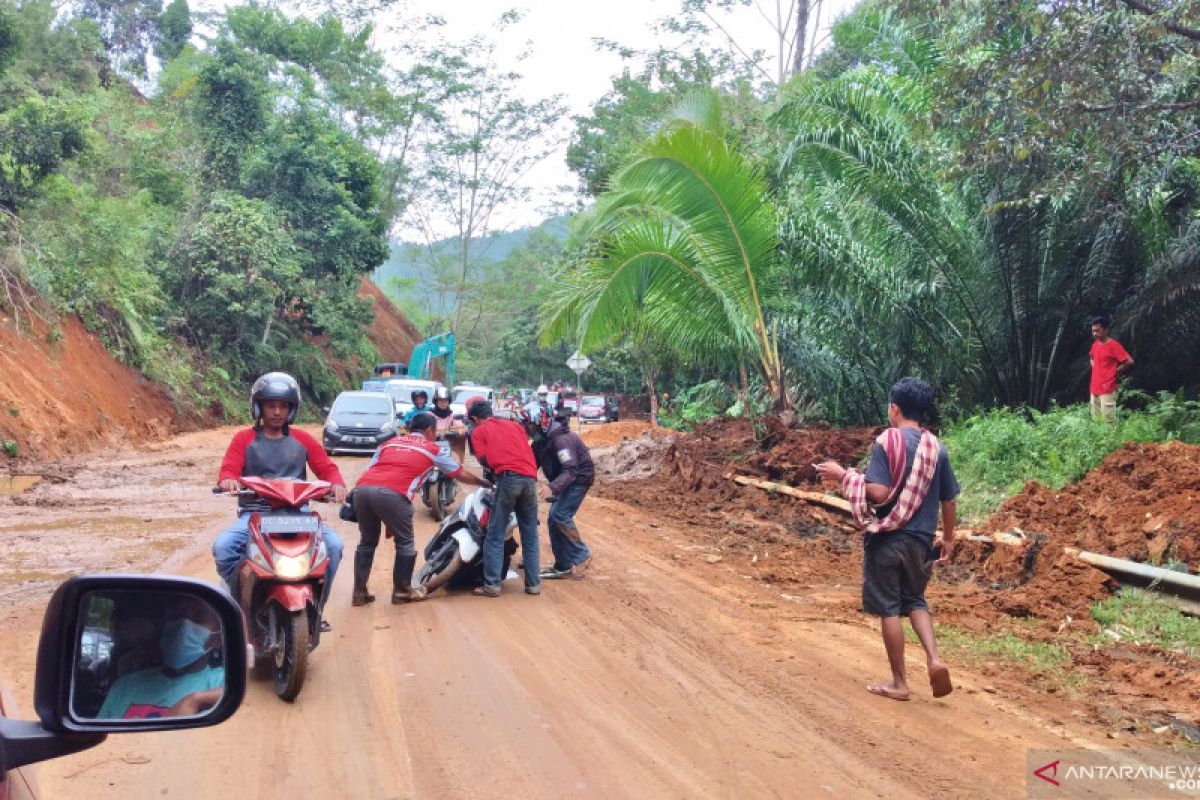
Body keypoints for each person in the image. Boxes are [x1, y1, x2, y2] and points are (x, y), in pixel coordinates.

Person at [815, 377, 959, 702]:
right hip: (922, 540)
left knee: (890, 608)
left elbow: (878, 492)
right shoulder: (937, 448)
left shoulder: (888, 441)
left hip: (888, 538)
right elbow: (949, 501)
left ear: (894, 408)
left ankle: (899, 683)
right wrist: (948, 539)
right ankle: (934, 660)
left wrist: (844, 476)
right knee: (916, 600)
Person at [213, 372, 347, 628]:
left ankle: (316, 610)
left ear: (292, 410)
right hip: (256, 515)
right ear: (258, 407)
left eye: (283, 406)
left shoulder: (303, 439)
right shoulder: (244, 439)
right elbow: (228, 470)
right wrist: (229, 481)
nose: (277, 411)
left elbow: (327, 469)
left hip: (298, 516)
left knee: (334, 547)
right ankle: (238, 603)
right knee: (223, 547)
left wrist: (337, 485)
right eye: (270, 405)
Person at [350, 412, 490, 605]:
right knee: (405, 543)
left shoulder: (388, 443)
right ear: (429, 430)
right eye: (435, 431)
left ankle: (359, 592)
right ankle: (402, 592)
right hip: (394, 493)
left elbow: (371, 468)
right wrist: (483, 482)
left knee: (366, 542)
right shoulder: (432, 448)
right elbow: (459, 473)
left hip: (362, 490)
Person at [97, 597, 225, 720]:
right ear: (165, 626)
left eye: (199, 618)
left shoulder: (221, 680)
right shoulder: (124, 685)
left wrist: (194, 700)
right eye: (177, 615)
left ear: (218, 639)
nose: (183, 625)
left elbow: (242, 699)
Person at [465, 399, 541, 597]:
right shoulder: (515, 426)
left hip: (508, 479)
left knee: (495, 534)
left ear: (475, 418)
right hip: (531, 480)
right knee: (530, 535)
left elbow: (484, 461)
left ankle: (492, 585)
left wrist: (493, 475)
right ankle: (533, 585)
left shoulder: (478, 431)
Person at [520, 403, 594, 579]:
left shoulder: (561, 440)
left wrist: (552, 487)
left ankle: (582, 555)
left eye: (529, 425)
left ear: (540, 423)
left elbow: (571, 470)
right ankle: (562, 565)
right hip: (565, 479)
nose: (527, 429)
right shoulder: (539, 443)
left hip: (579, 479)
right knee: (553, 520)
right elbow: (531, 465)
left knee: (560, 515)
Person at [1088, 315, 1133, 422]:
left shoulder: (1114, 345)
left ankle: (1112, 439)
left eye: (1097, 331)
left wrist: (1115, 371)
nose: (1094, 334)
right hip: (1094, 388)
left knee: (1109, 422)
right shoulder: (1095, 344)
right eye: (1093, 331)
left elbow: (1129, 361)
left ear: (1106, 330)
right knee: (1096, 422)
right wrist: (1095, 367)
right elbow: (1091, 357)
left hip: (1108, 388)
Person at [428, 386, 468, 462]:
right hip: (431, 445)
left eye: (445, 400)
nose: (443, 403)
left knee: (456, 463)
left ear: (448, 401)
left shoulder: (451, 415)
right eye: (440, 400)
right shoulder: (429, 415)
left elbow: (460, 426)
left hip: (447, 446)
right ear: (436, 401)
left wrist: (459, 431)